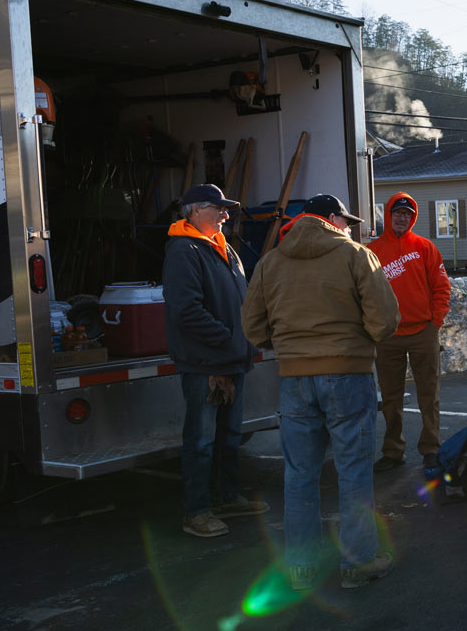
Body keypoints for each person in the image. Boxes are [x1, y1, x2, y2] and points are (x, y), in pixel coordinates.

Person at [242, 194, 401, 591]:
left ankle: (301, 567)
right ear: (331, 219)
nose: (349, 227)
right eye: (345, 220)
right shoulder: (354, 255)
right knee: (354, 473)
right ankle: (358, 563)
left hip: (294, 378)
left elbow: (253, 328)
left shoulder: (270, 262)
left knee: (298, 476)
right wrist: (359, 339)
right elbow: (386, 319)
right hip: (348, 374)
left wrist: (287, 344)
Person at [163, 183, 266, 539]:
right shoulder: (183, 250)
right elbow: (186, 311)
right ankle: (197, 511)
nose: (226, 215)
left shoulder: (224, 250)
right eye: (217, 209)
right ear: (193, 211)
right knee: (202, 440)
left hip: (232, 360)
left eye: (226, 209)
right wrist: (227, 339)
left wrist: (247, 339)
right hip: (205, 363)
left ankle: (225, 497)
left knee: (229, 436)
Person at [367, 193, 451, 472]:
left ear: (412, 218)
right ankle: (393, 451)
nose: (402, 218)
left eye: (407, 214)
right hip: (388, 334)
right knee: (390, 395)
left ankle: (431, 448)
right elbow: (364, 292)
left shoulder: (425, 247)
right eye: (397, 213)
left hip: (423, 331)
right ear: (388, 215)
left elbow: (441, 287)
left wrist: (435, 322)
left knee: (430, 393)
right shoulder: (373, 251)